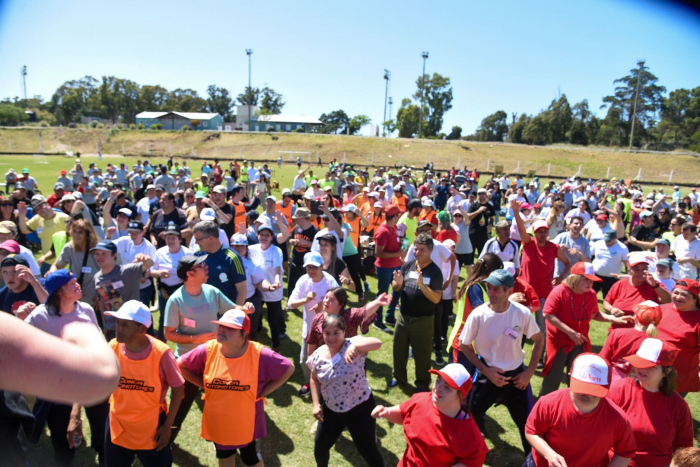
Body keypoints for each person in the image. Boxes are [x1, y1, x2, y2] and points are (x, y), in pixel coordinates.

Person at [176, 308, 294, 467]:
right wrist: (205, 385)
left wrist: (264, 391)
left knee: (251, 459)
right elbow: (180, 365)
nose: (222, 330)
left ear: (243, 334)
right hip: (219, 420)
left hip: (248, 422)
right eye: (220, 325)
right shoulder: (208, 350)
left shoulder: (259, 354)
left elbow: (288, 368)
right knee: (225, 457)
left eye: (230, 328)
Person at [25, 270, 110, 465]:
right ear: (59, 291)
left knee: (101, 427)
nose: (78, 284)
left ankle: (104, 456)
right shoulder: (40, 316)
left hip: (92, 380)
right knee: (62, 436)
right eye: (71, 283)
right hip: (59, 388)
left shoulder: (87, 309)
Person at [459, 269, 543, 452]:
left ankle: (532, 460)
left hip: (515, 377)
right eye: (489, 287)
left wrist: (529, 372)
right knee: (470, 418)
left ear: (509, 292)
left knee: (526, 424)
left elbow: (539, 339)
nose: (491, 292)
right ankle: (466, 456)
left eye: (496, 289)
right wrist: (487, 371)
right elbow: (464, 345)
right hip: (486, 373)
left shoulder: (522, 313)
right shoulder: (478, 315)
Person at [163, 254, 237, 441]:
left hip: (216, 359)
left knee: (220, 401)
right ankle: (166, 438)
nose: (206, 268)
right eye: (201, 266)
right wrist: (196, 338)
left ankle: (223, 438)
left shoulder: (212, 291)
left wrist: (244, 309)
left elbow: (233, 309)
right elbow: (168, 334)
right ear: (190, 274)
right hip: (188, 363)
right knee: (179, 405)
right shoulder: (176, 300)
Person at [104, 300, 185, 467]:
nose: (118, 328)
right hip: (118, 424)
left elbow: (178, 389)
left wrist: (168, 426)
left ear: (141, 329)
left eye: (125, 325)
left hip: (151, 429)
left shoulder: (162, 354)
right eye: (118, 323)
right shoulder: (112, 347)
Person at [524, 353, 636, 467]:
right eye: (583, 388)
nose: (588, 395)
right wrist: (549, 454)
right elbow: (532, 431)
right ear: (570, 376)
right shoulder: (549, 403)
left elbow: (625, 453)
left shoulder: (617, 418)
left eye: (594, 390)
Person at [539, 262, 633, 396]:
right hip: (558, 342)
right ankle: (543, 410)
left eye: (592, 280)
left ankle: (573, 409)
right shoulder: (560, 291)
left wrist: (613, 319)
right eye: (586, 279)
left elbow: (595, 314)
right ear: (575, 278)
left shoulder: (591, 294)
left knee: (578, 378)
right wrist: (571, 332)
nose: (590, 283)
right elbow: (547, 313)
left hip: (579, 342)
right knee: (553, 379)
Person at [372, 363, 489, 467]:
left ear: (460, 396)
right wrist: (387, 412)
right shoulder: (421, 399)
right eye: (438, 380)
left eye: (447, 387)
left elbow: (473, 461)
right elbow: (404, 412)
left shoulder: (466, 431)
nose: (438, 388)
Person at [308, 314, 385, 467]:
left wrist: (355, 346)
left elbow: (378, 343)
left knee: (367, 449)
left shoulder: (353, 344)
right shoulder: (318, 355)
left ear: (344, 332)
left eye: (336, 332)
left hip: (360, 409)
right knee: (320, 447)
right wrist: (316, 404)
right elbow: (314, 379)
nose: (331, 337)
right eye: (327, 333)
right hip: (332, 410)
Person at [608, 338, 693, 467]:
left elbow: (684, 449)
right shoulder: (619, 389)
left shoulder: (679, 406)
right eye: (640, 363)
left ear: (667, 372)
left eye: (651, 367)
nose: (642, 369)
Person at [512, 200, 570, 363]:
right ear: (534, 233)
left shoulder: (553, 248)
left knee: (541, 327)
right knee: (518, 326)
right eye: (539, 231)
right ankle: (515, 353)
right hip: (523, 293)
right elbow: (521, 227)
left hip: (544, 293)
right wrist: (516, 211)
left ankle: (539, 357)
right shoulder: (528, 243)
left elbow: (567, 263)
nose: (542, 234)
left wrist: (560, 277)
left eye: (545, 231)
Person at [389, 232, 443, 391]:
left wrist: (422, 285)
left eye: (422, 250)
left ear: (431, 250)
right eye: (416, 249)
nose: (417, 252)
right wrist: (397, 284)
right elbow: (397, 286)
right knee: (398, 350)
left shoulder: (435, 272)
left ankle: (422, 384)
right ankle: (399, 378)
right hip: (403, 317)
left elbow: (436, 299)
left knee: (422, 354)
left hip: (423, 321)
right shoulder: (408, 265)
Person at [288, 252, 339, 397]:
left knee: (329, 360)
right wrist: (305, 300)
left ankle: (327, 385)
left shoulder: (330, 282)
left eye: (314, 267)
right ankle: (310, 382)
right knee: (305, 360)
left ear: (322, 266)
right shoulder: (303, 281)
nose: (311, 270)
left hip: (328, 331)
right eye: (308, 267)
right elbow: (290, 304)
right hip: (309, 329)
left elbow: (340, 305)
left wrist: (323, 308)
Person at [93, 239, 153, 340]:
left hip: (130, 327)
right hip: (111, 329)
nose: (100, 257)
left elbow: (150, 263)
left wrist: (144, 258)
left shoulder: (126, 271)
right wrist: (104, 325)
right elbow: (101, 302)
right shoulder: (96, 277)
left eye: (104, 254)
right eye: (97, 254)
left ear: (114, 255)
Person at [306, 288, 391, 356]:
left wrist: (377, 303)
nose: (326, 301)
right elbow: (312, 342)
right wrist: (312, 362)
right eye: (326, 297)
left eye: (332, 300)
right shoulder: (318, 319)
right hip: (326, 363)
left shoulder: (349, 316)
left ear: (341, 304)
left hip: (349, 364)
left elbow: (363, 311)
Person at [656, 279, 700, 395]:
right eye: (676, 293)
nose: (678, 297)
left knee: (668, 409)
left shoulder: (697, 319)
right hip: (653, 369)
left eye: (684, 295)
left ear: (696, 298)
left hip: (678, 376)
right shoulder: (663, 309)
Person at [600, 301, 663, 381]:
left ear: (635, 317)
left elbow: (602, 359)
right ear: (657, 323)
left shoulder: (618, 333)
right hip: (635, 381)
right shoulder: (655, 343)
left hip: (610, 378)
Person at [604, 255, 671, 330]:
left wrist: (655, 286)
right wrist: (611, 309)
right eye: (637, 269)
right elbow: (607, 302)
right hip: (618, 330)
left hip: (643, 332)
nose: (641, 272)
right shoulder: (620, 284)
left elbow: (667, 301)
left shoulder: (654, 284)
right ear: (629, 272)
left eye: (644, 269)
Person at [150, 224, 192, 341]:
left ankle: (186, 340)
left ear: (179, 239)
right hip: (165, 290)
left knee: (184, 317)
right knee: (164, 317)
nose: (171, 241)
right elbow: (150, 271)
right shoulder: (160, 253)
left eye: (173, 238)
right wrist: (159, 273)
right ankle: (161, 342)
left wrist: (185, 276)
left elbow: (195, 273)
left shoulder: (188, 253)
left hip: (182, 291)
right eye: (168, 238)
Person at [248, 224, 285, 352]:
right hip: (257, 290)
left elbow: (277, 267)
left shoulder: (276, 250)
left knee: (272, 319)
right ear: (257, 236)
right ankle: (253, 339)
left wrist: (276, 282)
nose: (264, 237)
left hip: (273, 290)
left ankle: (276, 344)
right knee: (255, 315)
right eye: (261, 234)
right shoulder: (251, 249)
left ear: (271, 237)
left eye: (267, 235)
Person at [193, 221, 246, 305]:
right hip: (203, 307)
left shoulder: (232, 258)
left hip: (226, 310)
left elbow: (242, 290)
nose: (196, 242)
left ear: (211, 238)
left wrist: (235, 313)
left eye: (198, 239)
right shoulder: (197, 255)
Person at [49, 218, 100, 308]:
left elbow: (107, 271)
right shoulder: (69, 247)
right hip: (75, 295)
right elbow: (59, 266)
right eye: (74, 231)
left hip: (94, 295)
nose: (76, 235)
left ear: (87, 234)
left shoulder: (97, 249)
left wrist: (101, 295)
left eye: (80, 232)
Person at [18, 195, 69, 275]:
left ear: (48, 205)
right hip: (46, 261)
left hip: (64, 262)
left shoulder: (64, 218)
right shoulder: (37, 219)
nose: (40, 211)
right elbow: (24, 230)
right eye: (37, 210)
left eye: (41, 207)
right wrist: (21, 215)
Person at [113, 220, 158, 308]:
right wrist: (109, 236)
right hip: (126, 285)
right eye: (131, 233)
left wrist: (146, 276)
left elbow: (154, 267)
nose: (133, 236)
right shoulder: (124, 241)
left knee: (142, 314)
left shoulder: (149, 247)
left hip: (143, 287)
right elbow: (108, 247)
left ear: (143, 232)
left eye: (136, 233)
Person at [373, 204, 405, 330]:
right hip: (385, 268)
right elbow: (378, 253)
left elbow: (394, 243)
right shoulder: (382, 231)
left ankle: (389, 317)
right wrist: (399, 254)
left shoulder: (394, 227)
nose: (400, 216)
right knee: (383, 294)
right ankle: (377, 320)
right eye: (399, 215)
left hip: (395, 265)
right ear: (395, 216)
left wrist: (401, 245)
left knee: (398, 290)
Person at [287, 208, 319, 297]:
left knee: (308, 286)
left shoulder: (315, 231)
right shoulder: (297, 228)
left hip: (308, 265)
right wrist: (292, 241)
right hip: (294, 262)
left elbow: (318, 247)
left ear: (302, 218)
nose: (294, 220)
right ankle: (291, 302)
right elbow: (290, 239)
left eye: (296, 218)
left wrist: (305, 243)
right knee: (291, 284)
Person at [591, 230, 629, 296]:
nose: (606, 242)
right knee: (589, 294)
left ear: (615, 238)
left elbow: (626, 262)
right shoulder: (598, 244)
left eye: (609, 240)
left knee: (608, 297)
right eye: (605, 239)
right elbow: (590, 255)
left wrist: (630, 272)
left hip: (611, 278)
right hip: (595, 275)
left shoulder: (622, 248)